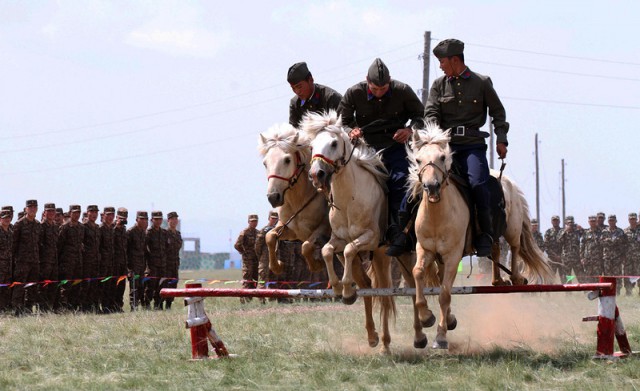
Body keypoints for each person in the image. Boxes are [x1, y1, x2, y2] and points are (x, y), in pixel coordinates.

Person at [425, 38, 510, 257]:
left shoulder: (481, 83)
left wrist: (501, 139)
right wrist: (434, 136)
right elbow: (431, 113)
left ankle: (486, 235)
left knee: (478, 184)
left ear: (455, 60)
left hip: (472, 146)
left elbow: (498, 113)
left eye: (442, 61)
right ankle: (412, 235)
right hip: (446, 149)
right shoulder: (438, 85)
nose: (441, 66)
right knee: (424, 184)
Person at [339, 57, 425, 256]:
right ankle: (344, 230)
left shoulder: (403, 90)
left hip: (395, 147)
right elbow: (341, 122)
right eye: (374, 88)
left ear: (390, 81)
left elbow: (422, 116)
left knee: (402, 182)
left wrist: (409, 130)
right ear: (366, 81)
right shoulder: (354, 93)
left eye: (383, 88)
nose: (379, 92)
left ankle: (400, 232)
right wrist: (351, 131)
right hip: (364, 149)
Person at [287, 62, 342, 128]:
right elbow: (294, 131)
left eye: (299, 87)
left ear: (310, 80)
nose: (297, 92)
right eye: (293, 88)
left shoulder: (331, 97)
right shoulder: (295, 103)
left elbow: (346, 125)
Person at [11, 199, 41, 316]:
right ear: (26, 209)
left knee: (32, 287)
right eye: (30, 207)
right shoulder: (19, 224)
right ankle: (17, 310)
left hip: (34, 261)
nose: (33, 209)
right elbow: (13, 244)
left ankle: (28, 309)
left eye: (35, 207)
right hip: (22, 261)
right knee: (19, 286)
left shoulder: (38, 224)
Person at [57, 204, 84, 311]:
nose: (77, 215)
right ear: (70, 213)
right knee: (65, 285)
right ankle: (63, 307)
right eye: (74, 213)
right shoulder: (64, 227)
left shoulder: (81, 227)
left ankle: (73, 307)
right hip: (67, 262)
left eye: (78, 213)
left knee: (77, 285)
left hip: (78, 262)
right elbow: (59, 246)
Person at [234, 214, 259, 303]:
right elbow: (237, 245)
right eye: (252, 221)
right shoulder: (244, 232)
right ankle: (243, 299)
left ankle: (249, 298)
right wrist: (244, 252)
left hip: (256, 260)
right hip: (247, 260)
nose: (254, 223)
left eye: (255, 221)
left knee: (256, 279)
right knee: (247, 279)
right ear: (248, 222)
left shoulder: (258, 233)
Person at [39, 202, 59, 312]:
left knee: (53, 286)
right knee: (43, 286)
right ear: (44, 213)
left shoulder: (55, 227)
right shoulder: (41, 226)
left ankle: (49, 307)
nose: (51, 213)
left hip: (54, 261)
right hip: (44, 262)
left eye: (53, 211)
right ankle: (42, 308)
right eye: (49, 211)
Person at [145, 211, 167, 310]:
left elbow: (167, 247)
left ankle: (158, 305)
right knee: (151, 286)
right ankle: (147, 304)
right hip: (152, 265)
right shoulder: (148, 233)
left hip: (162, 264)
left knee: (161, 286)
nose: (158, 221)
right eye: (156, 219)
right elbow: (145, 248)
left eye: (160, 219)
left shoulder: (163, 233)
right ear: (152, 220)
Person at [601, 214, 627, 295]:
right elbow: (601, 242)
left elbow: (624, 243)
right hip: (607, 257)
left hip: (617, 257)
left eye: (613, 220)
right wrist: (612, 241)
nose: (611, 222)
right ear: (608, 221)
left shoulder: (620, 231)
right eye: (610, 220)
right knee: (607, 275)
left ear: (616, 221)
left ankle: (618, 291)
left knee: (617, 275)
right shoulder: (604, 231)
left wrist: (622, 255)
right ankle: (608, 291)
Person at [82, 205, 101, 312]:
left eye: (96, 212)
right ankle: (84, 307)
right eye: (92, 212)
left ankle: (93, 306)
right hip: (86, 261)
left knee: (95, 285)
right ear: (87, 213)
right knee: (86, 285)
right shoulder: (83, 227)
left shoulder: (97, 228)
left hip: (95, 261)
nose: (94, 214)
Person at [127, 211, 148, 310]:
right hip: (133, 265)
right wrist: (128, 268)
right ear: (137, 220)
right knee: (134, 287)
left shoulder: (143, 233)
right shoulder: (131, 232)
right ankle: (133, 307)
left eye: (145, 219)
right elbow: (126, 250)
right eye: (141, 219)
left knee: (141, 287)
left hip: (141, 265)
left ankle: (139, 304)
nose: (144, 221)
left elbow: (144, 250)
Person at [255, 211, 279, 296]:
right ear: (269, 218)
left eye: (276, 219)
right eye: (272, 218)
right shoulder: (264, 230)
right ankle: (261, 298)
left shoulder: (278, 230)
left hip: (275, 258)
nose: (274, 220)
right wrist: (261, 256)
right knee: (263, 277)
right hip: (265, 258)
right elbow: (258, 245)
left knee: (274, 277)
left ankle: (272, 298)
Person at [99, 207, 116, 312]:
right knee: (101, 286)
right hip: (102, 263)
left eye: (112, 215)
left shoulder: (112, 229)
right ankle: (99, 306)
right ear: (103, 215)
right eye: (108, 215)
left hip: (110, 262)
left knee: (109, 286)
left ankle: (107, 307)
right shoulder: (100, 229)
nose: (110, 217)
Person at [112, 208, 129, 312]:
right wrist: (116, 226)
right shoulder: (112, 228)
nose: (122, 220)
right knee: (113, 285)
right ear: (116, 217)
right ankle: (111, 305)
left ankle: (119, 305)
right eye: (120, 218)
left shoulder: (124, 229)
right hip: (114, 262)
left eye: (125, 218)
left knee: (121, 286)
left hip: (123, 262)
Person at [165, 211, 182, 310]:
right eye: (172, 219)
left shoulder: (178, 234)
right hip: (166, 264)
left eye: (176, 219)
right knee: (165, 284)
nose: (175, 221)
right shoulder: (165, 233)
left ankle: (169, 304)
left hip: (175, 263)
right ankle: (160, 304)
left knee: (174, 284)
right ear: (168, 220)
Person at [558, 216, 582, 283]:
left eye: (571, 223)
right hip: (566, 259)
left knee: (580, 275)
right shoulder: (562, 231)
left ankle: (584, 290)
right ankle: (568, 292)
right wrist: (565, 231)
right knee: (567, 277)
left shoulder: (577, 231)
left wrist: (581, 228)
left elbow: (585, 235)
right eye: (568, 223)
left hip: (576, 258)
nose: (570, 225)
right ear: (566, 223)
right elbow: (559, 241)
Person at [580, 215, 604, 283]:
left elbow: (603, 245)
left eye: (594, 221)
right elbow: (582, 246)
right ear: (589, 222)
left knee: (597, 277)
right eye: (591, 221)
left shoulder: (601, 232)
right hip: (587, 259)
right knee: (588, 277)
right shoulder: (585, 232)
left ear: (596, 221)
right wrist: (582, 258)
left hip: (598, 259)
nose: (593, 223)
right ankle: (589, 292)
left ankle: (597, 292)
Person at [623, 213, 639, 295]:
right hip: (628, 258)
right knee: (628, 275)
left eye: (634, 219)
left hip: (638, 258)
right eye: (631, 219)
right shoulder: (625, 231)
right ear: (629, 220)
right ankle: (628, 292)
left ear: (636, 219)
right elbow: (622, 245)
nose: (632, 221)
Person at [0, 209, 13, 313]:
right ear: (0, 219)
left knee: (7, 288)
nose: (7, 220)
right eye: (4, 218)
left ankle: (4, 309)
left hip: (8, 265)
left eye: (8, 218)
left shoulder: (11, 232)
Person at [544, 215, 563, 281]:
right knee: (550, 277)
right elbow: (546, 246)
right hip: (552, 259)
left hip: (562, 259)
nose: (555, 222)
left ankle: (567, 291)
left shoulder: (563, 231)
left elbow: (566, 245)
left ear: (559, 221)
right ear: (551, 222)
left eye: (556, 220)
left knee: (565, 278)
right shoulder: (548, 232)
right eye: (554, 220)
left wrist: (560, 256)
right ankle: (548, 291)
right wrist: (555, 256)